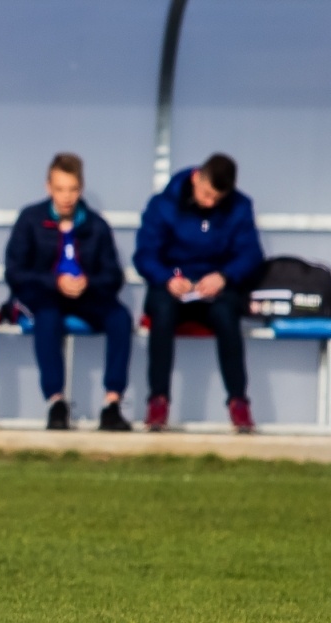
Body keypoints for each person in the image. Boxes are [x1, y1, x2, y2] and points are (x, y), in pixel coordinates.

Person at [133, 153, 263, 433]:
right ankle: (158, 402)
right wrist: (167, 278)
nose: (210, 203)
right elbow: (144, 255)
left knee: (227, 314)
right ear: (196, 178)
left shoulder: (240, 207)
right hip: (171, 288)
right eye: (206, 194)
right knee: (162, 312)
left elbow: (251, 254)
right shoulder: (162, 205)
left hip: (216, 291)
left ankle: (239, 403)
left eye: (217, 198)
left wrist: (224, 276)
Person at [5, 153, 133, 431]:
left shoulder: (96, 225)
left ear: (81, 188)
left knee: (120, 318)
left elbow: (113, 275)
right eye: (60, 189)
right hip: (45, 296)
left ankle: (112, 403)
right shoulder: (30, 220)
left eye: (73, 189)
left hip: (88, 298)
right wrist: (55, 281)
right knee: (47, 317)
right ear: (48, 187)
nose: (66, 197)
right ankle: (56, 403)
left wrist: (88, 281)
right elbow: (15, 272)